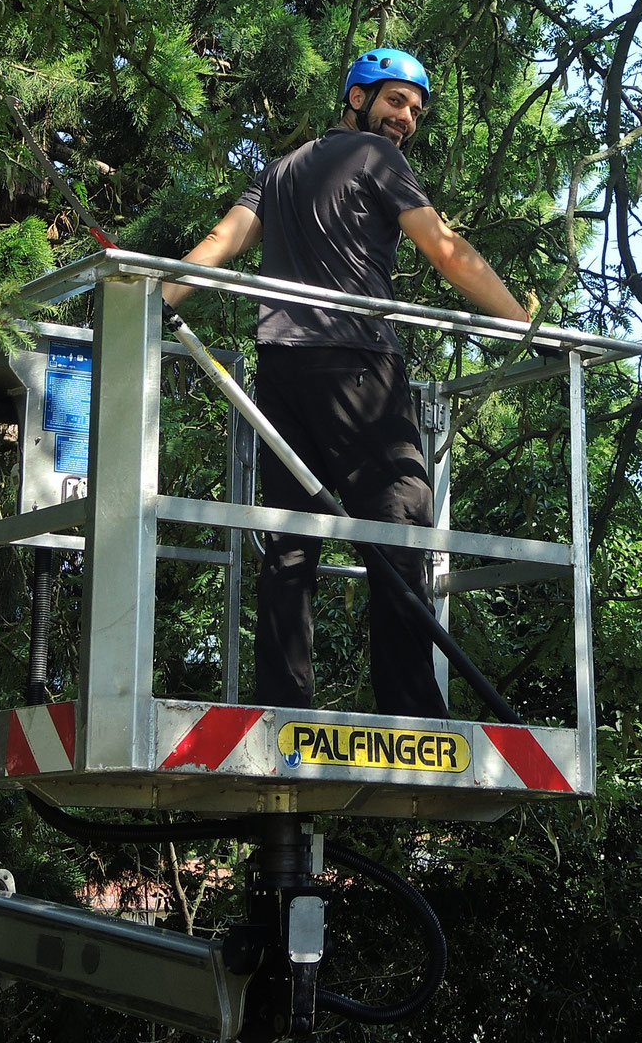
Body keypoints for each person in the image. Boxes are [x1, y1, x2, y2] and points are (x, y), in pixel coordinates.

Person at [166, 47, 532, 718]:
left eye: (416, 110)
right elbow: (444, 249)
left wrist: (154, 295)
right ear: (356, 97)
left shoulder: (278, 171)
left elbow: (222, 240)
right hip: (354, 361)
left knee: (292, 540)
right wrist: (520, 321)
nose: (407, 119)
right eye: (396, 100)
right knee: (403, 521)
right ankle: (414, 708)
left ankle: (285, 705)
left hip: (281, 368)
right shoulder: (375, 159)